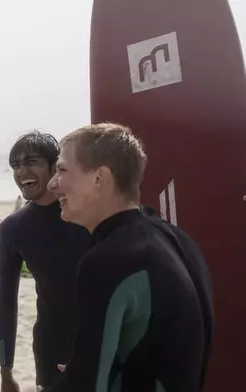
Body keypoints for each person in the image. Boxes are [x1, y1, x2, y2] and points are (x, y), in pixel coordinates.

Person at [46, 123, 214, 392]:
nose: (52, 184)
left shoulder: (109, 260)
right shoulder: (179, 240)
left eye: (62, 170)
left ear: (99, 178)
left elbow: (87, 386)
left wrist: (81, 373)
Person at [0, 131, 92, 392]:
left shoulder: (86, 214)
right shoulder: (12, 229)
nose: (21, 170)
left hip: (98, 339)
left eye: (31, 162)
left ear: (54, 167)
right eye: (15, 165)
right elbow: (6, 302)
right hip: (51, 345)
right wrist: (6, 370)